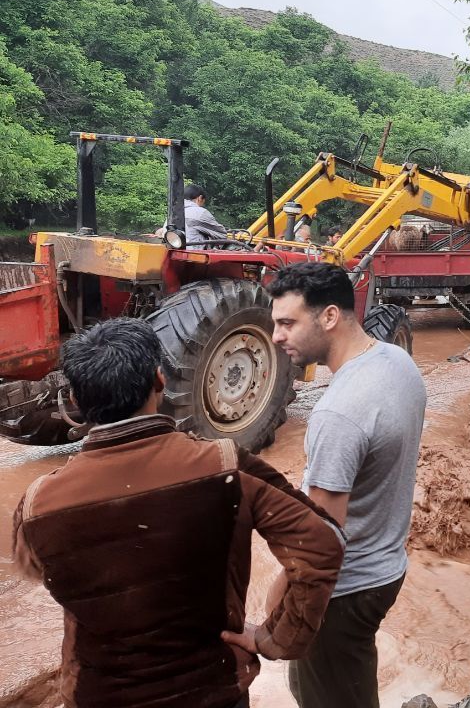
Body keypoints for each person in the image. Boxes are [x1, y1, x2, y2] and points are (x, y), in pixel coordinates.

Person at [12, 318, 343, 708]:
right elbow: (322, 544)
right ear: (160, 381)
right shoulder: (226, 468)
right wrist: (278, 639)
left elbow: (37, 571)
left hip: (100, 697)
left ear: (77, 401)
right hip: (214, 688)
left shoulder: (37, 506)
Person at [265, 262, 426, 708]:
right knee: (343, 681)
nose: (276, 336)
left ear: (329, 316)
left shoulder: (338, 413)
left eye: (287, 323)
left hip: (345, 591)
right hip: (388, 564)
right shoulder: (398, 362)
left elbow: (320, 543)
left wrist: (276, 601)